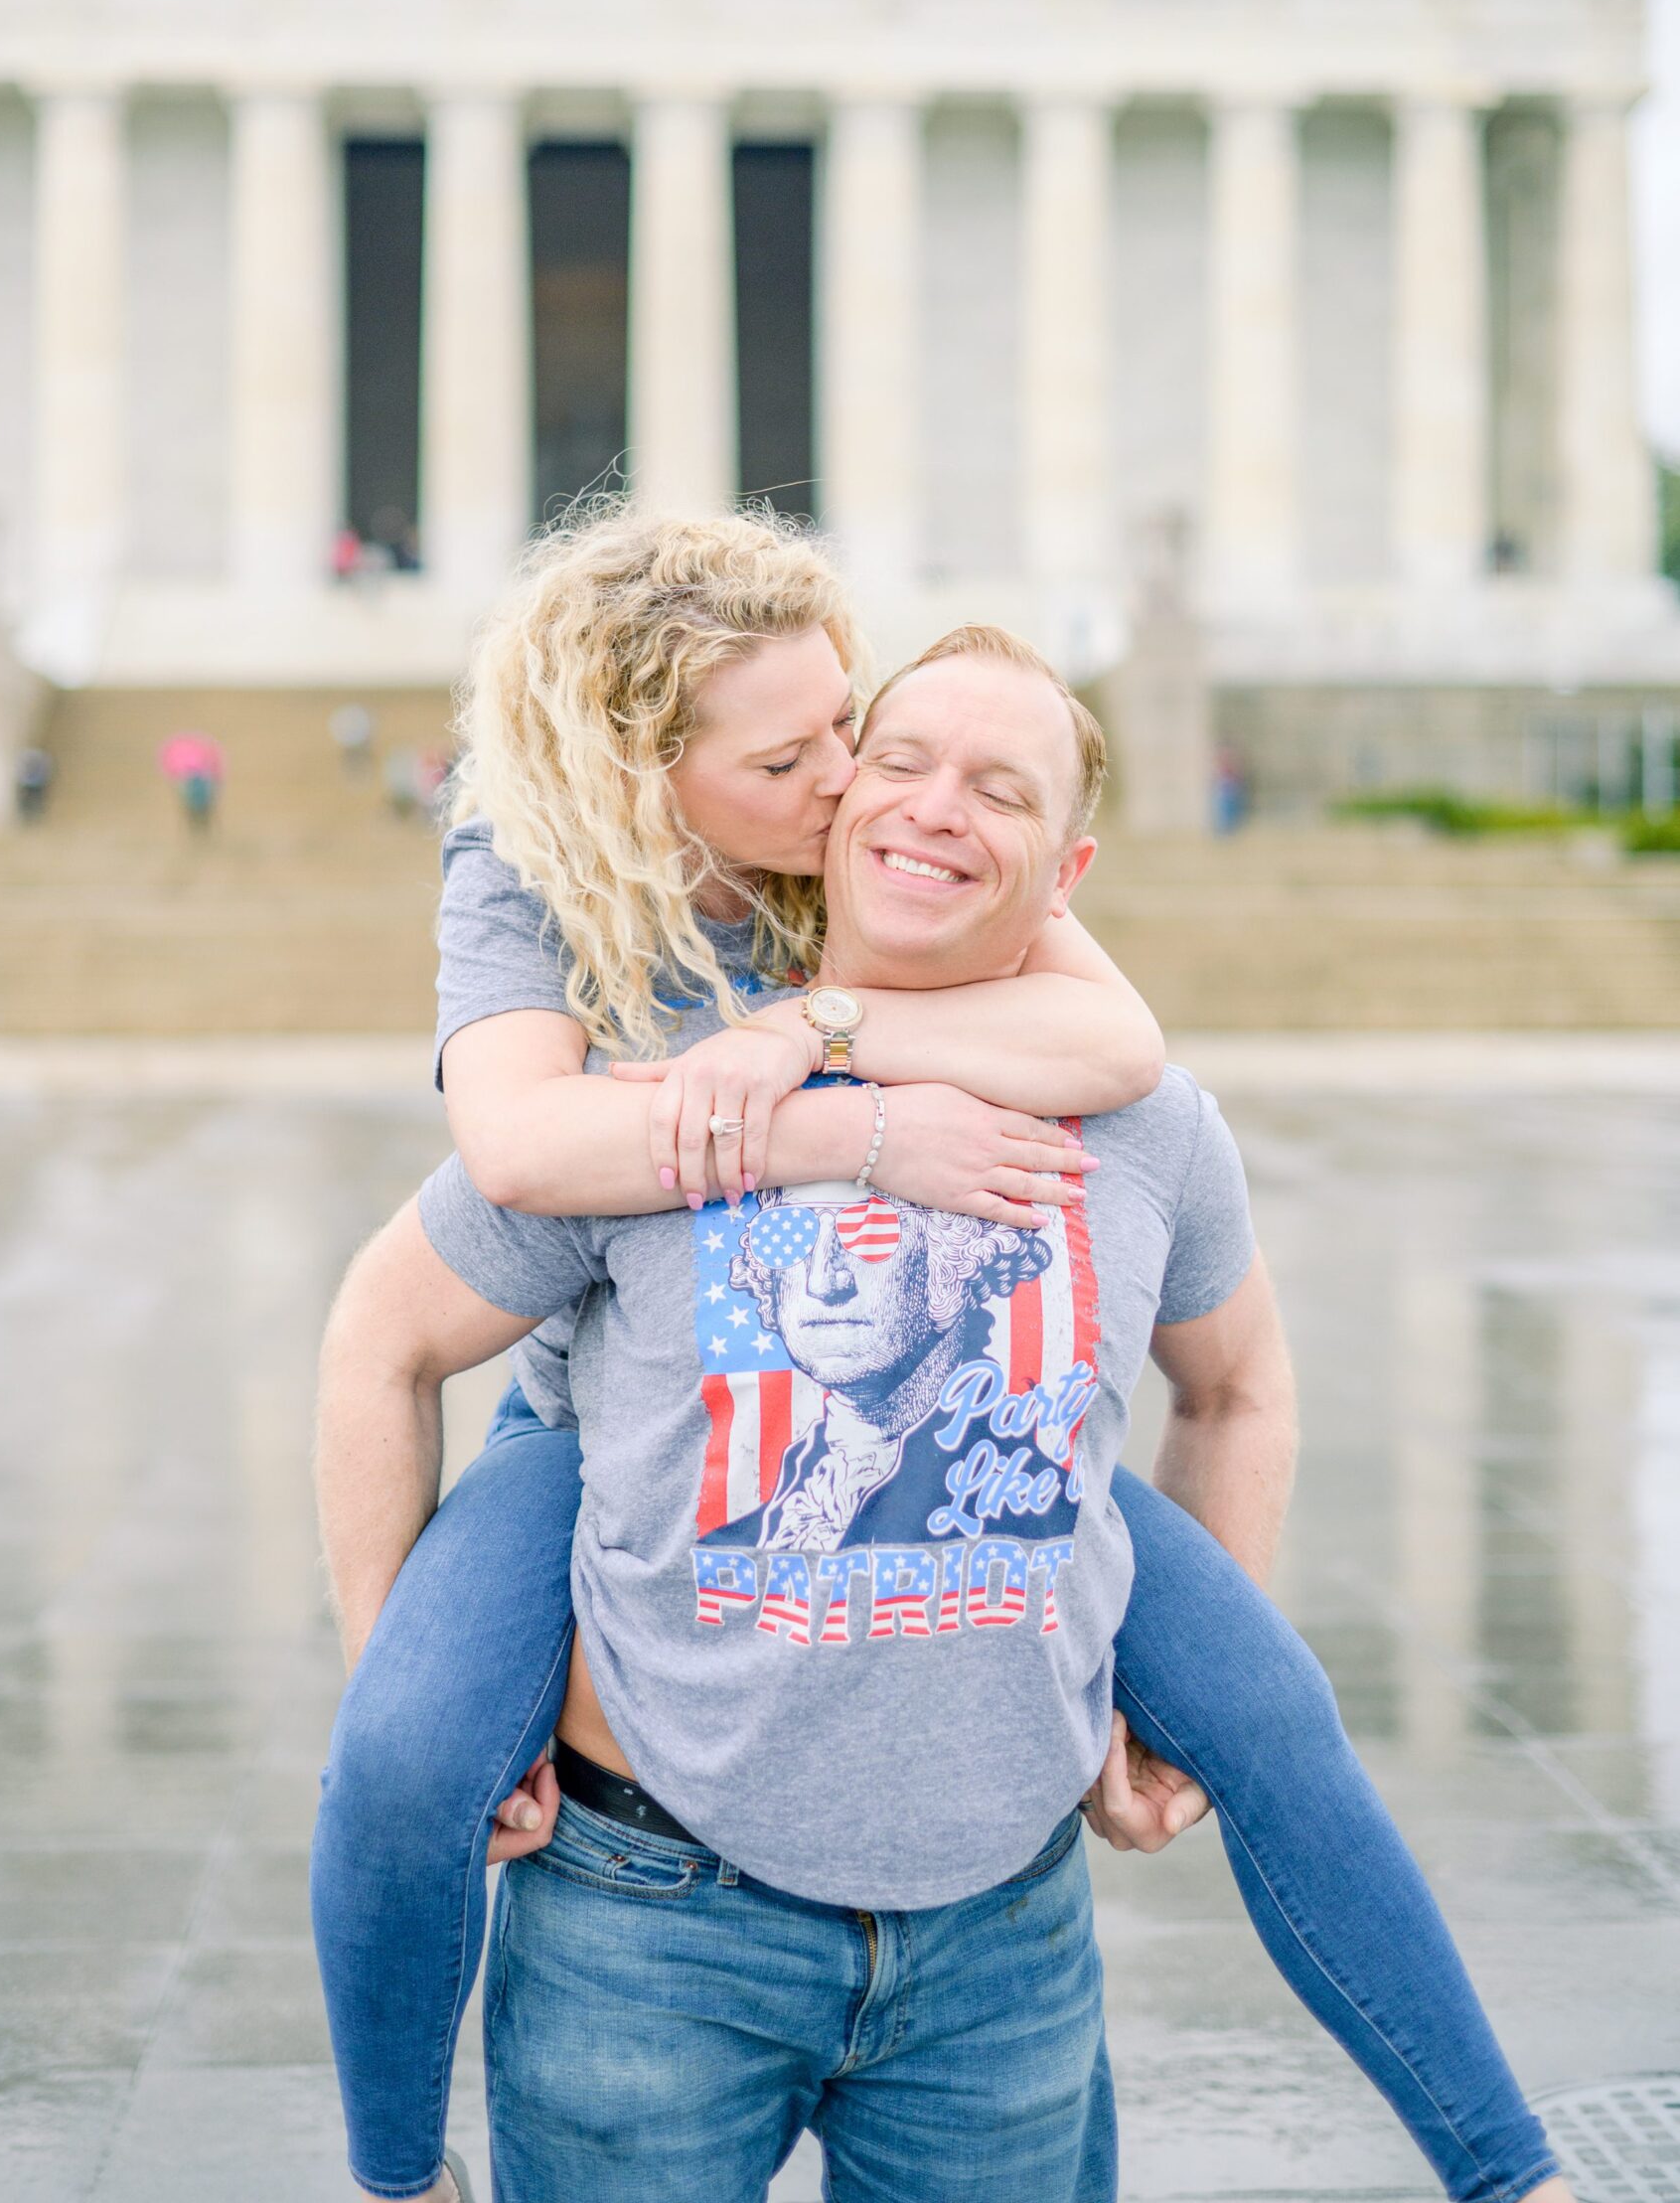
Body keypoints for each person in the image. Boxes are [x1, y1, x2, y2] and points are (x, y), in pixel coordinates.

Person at [311, 510, 1567, 2203]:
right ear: (651, 776)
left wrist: (826, 1034)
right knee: (399, 1757)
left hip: (1001, 1873)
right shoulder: (557, 915)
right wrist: (854, 1136)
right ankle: (396, 2175)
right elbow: (513, 1166)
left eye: (860, 727)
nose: (853, 785)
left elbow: (1124, 1058)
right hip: (625, 1697)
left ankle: (1510, 2172)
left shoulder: (1033, 1020)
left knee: (1270, 1709)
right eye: (823, 754)